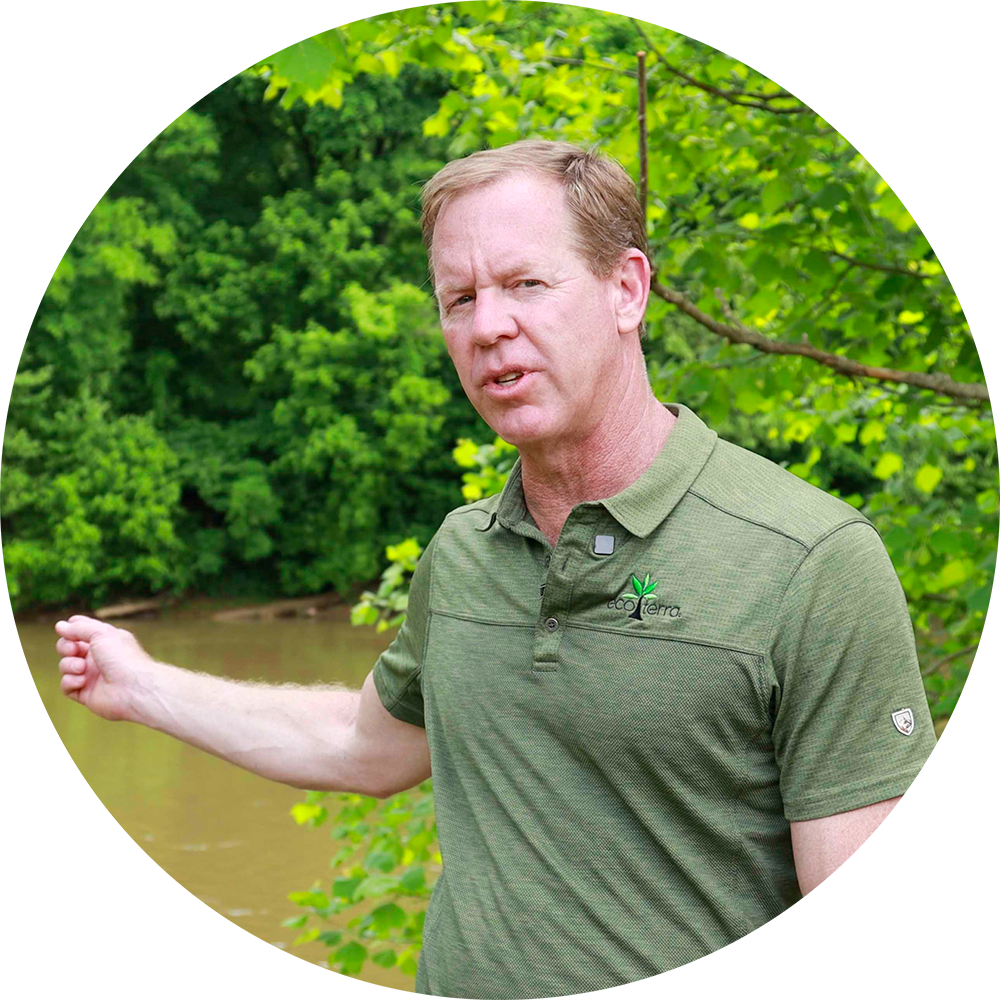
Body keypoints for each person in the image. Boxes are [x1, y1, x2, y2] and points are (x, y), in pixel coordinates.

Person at [55, 139, 937, 998]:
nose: (489, 327)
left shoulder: (811, 562)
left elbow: (871, 936)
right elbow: (364, 745)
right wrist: (142, 688)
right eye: (459, 298)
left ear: (626, 289)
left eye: (526, 284)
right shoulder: (465, 551)